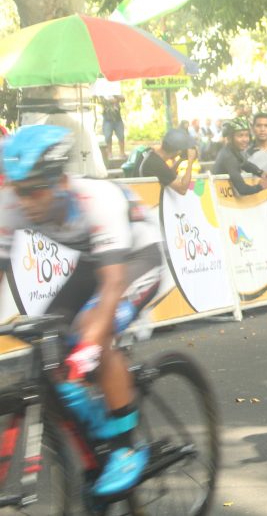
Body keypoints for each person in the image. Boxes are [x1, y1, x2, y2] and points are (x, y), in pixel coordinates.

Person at [0, 125, 165, 497]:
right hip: (92, 262)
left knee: (95, 332)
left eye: (35, 190)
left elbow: (111, 288)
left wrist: (89, 348)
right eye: (18, 190)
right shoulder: (12, 202)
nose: (26, 201)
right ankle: (94, 436)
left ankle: (124, 446)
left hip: (139, 257)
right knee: (49, 342)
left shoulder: (96, 199)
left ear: (59, 180)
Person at [213, 118, 267, 196]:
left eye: (246, 135)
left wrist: (262, 173)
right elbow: (242, 190)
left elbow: (246, 164)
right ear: (229, 138)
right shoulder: (228, 157)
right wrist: (261, 186)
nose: (245, 139)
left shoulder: (233, 151)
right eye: (240, 136)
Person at [138, 128, 198, 196]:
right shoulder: (158, 165)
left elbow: (168, 175)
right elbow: (182, 189)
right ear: (176, 151)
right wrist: (190, 161)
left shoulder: (152, 154)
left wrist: (180, 159)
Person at [100, 94, 126, 161]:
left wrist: (116, 98)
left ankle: (122, 153)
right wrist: (112, 100)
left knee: (121, 136)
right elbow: (102, 100)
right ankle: (109, 153)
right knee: (108, 137)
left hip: (118, 119)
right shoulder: (102, 92)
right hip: (107, 120)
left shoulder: (116, 91)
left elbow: (123, 99)